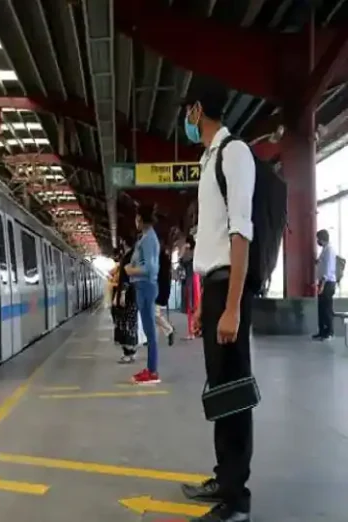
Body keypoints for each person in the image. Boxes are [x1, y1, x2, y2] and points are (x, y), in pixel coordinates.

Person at [179, 81, 255, 522]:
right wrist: (207, 305)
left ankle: (236, 500)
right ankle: (224, 479)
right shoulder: (209, 159)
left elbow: (240, 232)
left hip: (228, 286)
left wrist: (232, 306)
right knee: (221, 392)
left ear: (199, 109)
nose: (186, 119)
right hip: (213, 287)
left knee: (235, 393)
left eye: (188, 111)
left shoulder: (234, 154)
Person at [125, 203, 160, 384]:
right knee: (148, 330)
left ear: (140, 219)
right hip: (143, 287)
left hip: (146, 286)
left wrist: (131, 270)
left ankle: (153, 372)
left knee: (150, 331)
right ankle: (150, 368)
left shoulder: (149, 240)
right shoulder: (147, 238)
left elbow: (150, 268)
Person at [111, 245, 139, 363]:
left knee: (124, 323)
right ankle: (131, 352)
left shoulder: (129, 257)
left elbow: (126, 278)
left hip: (128, 296)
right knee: (131, 324)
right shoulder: (136, 255)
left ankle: (128, 353)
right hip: (134, 295)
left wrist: (121, 294)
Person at [314, 229, 337, 340]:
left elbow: (327, 270)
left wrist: (322, 285)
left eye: (318, 239)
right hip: (324, 283)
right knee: (321, 308)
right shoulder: (325, 250)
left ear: (322, 239)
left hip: (327, 283)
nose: (317, 241)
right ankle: (322, 331)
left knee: (327, 308)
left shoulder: (329, 250)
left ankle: (329, 332)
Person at [156, 246, 175, 345]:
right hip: (161, 290)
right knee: (154, 314)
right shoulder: (164, 260)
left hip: (157, 290)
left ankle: (169, 329)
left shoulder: (159, 260)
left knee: (155, 313)